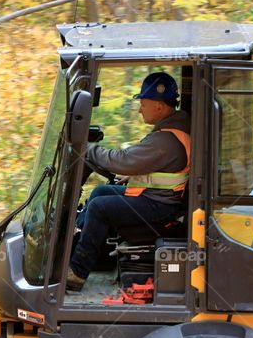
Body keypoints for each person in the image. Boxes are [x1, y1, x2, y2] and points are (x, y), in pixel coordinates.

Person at [66, 71, 191, 291]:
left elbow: (125, 160)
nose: (140, 109)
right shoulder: (172, 132)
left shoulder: (165, 139)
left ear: (159, 107)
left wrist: (87, 150)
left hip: (161, 207)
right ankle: (77, 245)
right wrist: (132, 174)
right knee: (100, 193)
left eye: (143, 103)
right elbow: (153, 168)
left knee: (98, 207)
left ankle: (77, 272)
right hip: (160, 199)